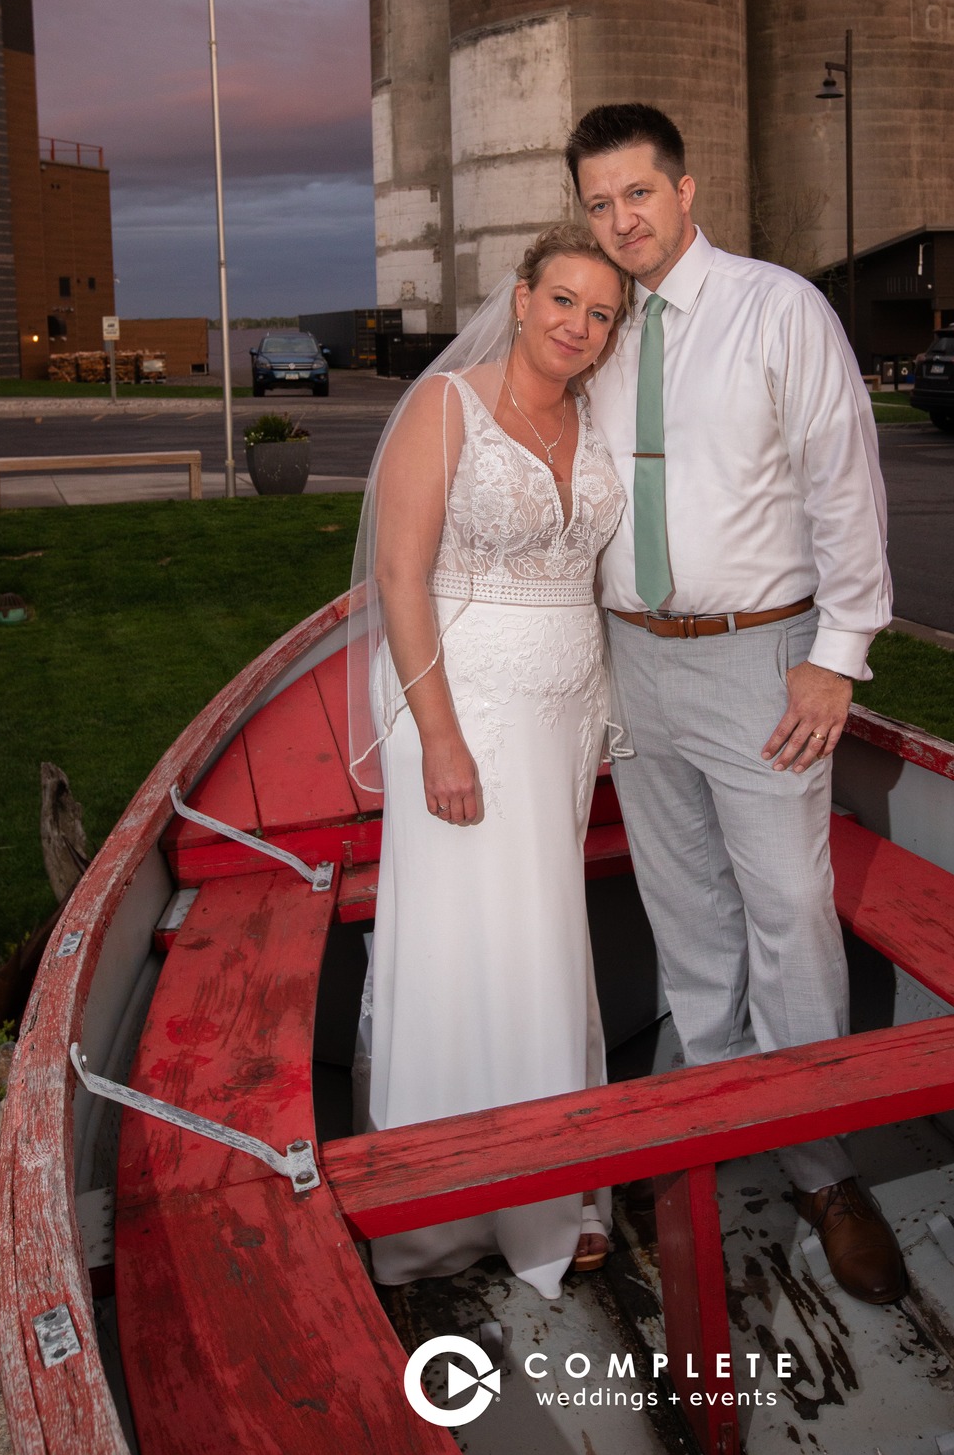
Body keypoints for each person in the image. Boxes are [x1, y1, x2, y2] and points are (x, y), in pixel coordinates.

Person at [571, 102, 908, 1306]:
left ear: (685, 188)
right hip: (634, 660)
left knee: (789, 912)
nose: (621, 220)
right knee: (687, 914)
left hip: (762, 658)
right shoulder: (599, 328)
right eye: (599, 203)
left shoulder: (780, 308)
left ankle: (824, 1168)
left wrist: (839, 654)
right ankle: (706, 1126)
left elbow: (844, 483)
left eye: (638, 193)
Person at [348, 223, 628, 1297]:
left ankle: (552, 1180)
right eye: (563, 300)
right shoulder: (446, 404)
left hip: (564, 717)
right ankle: (444, 1205)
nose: (578, 326)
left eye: (600, 313)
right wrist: (441, 738)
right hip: (463, 712)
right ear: (520, 297)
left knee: (544, 939)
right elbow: (399, 575)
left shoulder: (593, 416)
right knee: (465, 943)